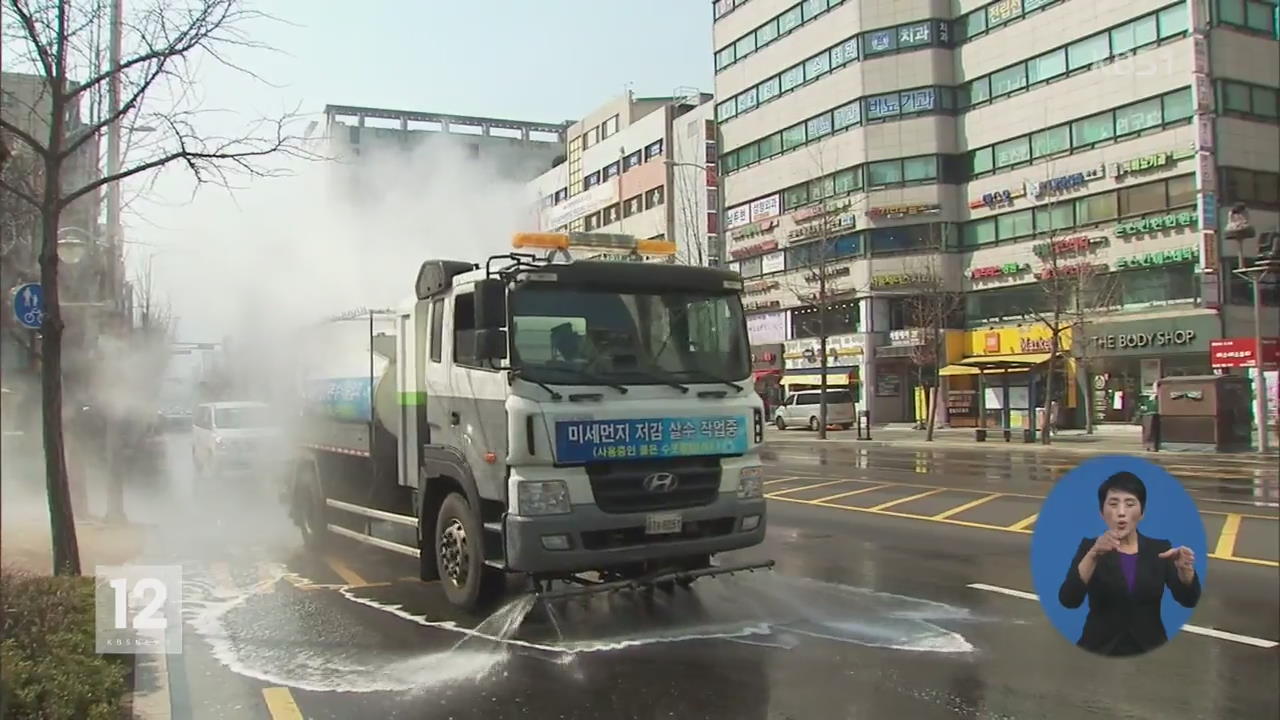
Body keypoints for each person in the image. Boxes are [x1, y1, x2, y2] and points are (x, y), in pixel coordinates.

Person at [1058, 471, 1201, 657]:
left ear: (1142, 512)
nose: (1121, 513)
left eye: (1130, 504)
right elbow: (1069, 600)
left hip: (1150, 649)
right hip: (1099, 649)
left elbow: (1188, 600)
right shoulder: (1089, 548)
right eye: (1113, 504)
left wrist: (1185, 571)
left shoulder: (1160, 549)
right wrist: (1093, 555)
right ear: (1102, 512)